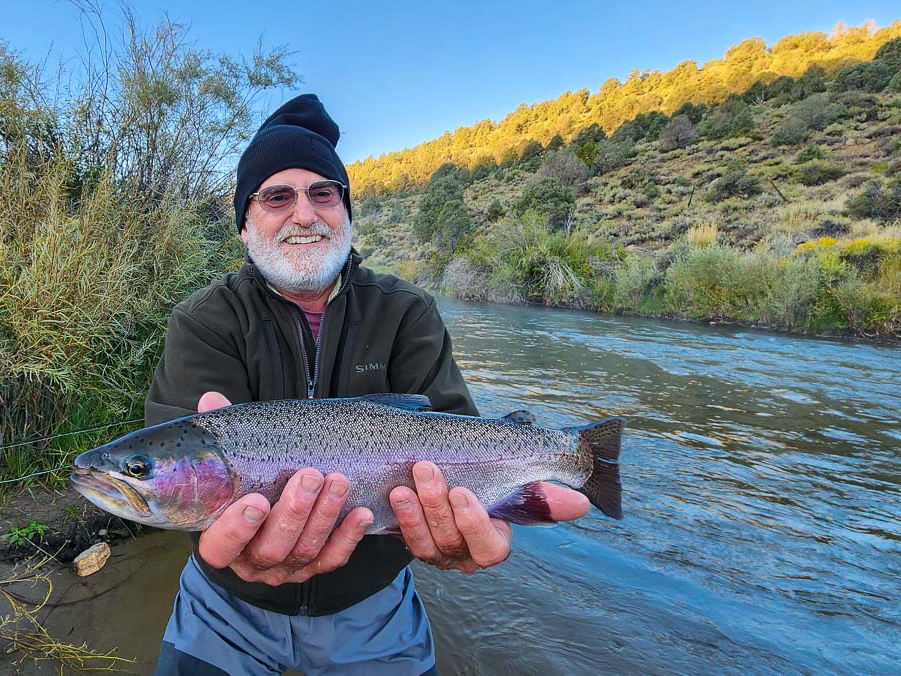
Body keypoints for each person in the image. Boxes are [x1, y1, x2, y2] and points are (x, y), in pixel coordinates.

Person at [145, 94, 589, 675]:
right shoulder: (204, 320)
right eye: (277, 196)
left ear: (346, 210)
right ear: (245, 223)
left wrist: (472, 522)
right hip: (224, 605)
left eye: (322, 192)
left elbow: (460, 432)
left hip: (373, 607)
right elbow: (177, 486)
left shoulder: (406, 312)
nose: (304, 213)